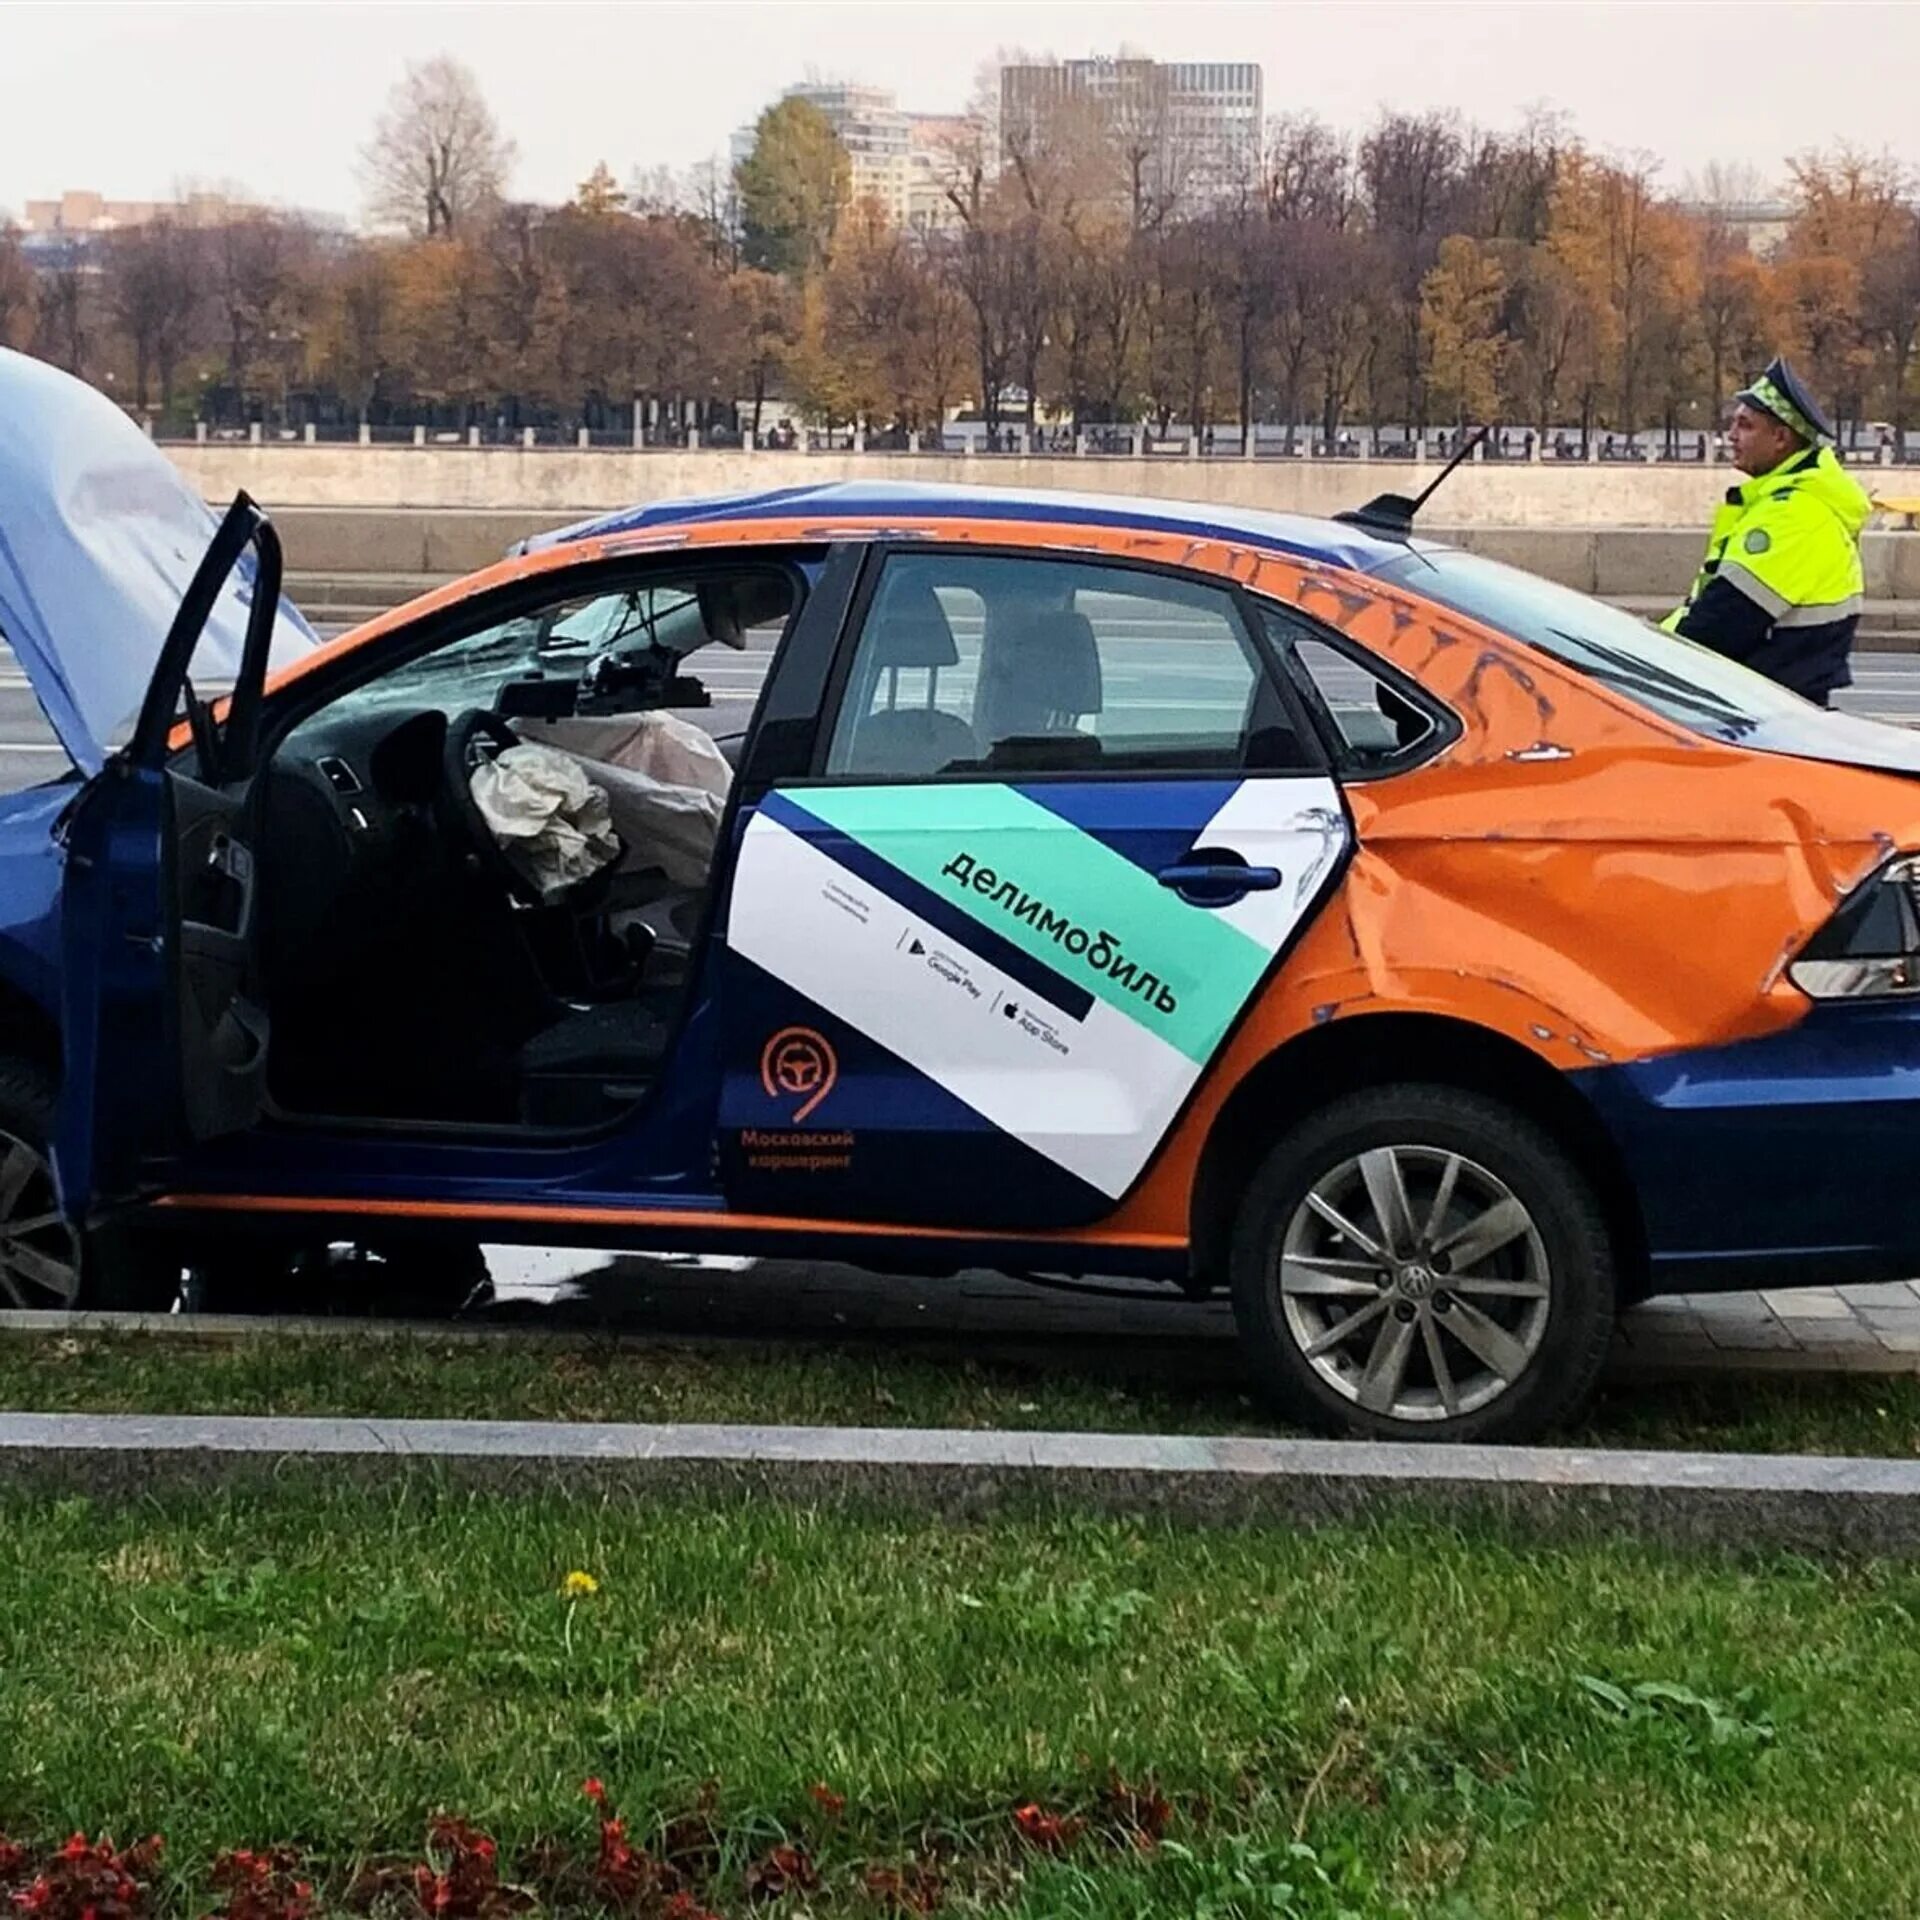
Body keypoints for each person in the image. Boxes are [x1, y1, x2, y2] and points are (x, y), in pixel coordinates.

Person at [1661, 357, 1870, 707]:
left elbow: (1719, 624)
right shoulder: (1795, 502)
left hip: (1762, 708)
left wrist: (1644, 657)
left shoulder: (1794, 516)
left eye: (1745, 425)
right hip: (1780, 702)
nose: (1731, 435)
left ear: (1780, 438)